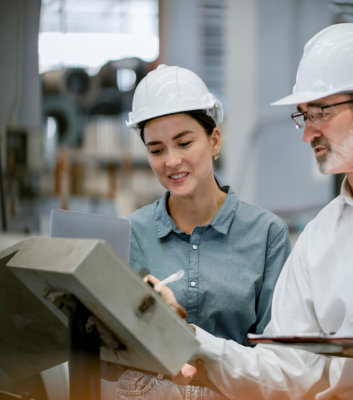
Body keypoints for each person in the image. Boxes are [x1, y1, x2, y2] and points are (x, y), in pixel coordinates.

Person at [155, 24, 353, 399]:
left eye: (321, 112)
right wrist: (187, 337)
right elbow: (285, 372)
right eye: (304, 116)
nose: (307, 134)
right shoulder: (317, 240)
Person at [113, 64, 291, 400]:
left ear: (214, 140)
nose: (171, 161)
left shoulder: (266, 235)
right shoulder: (130, 233)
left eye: (184, 143)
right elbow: (108, 355)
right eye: (156, 150)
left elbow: (281, 364)